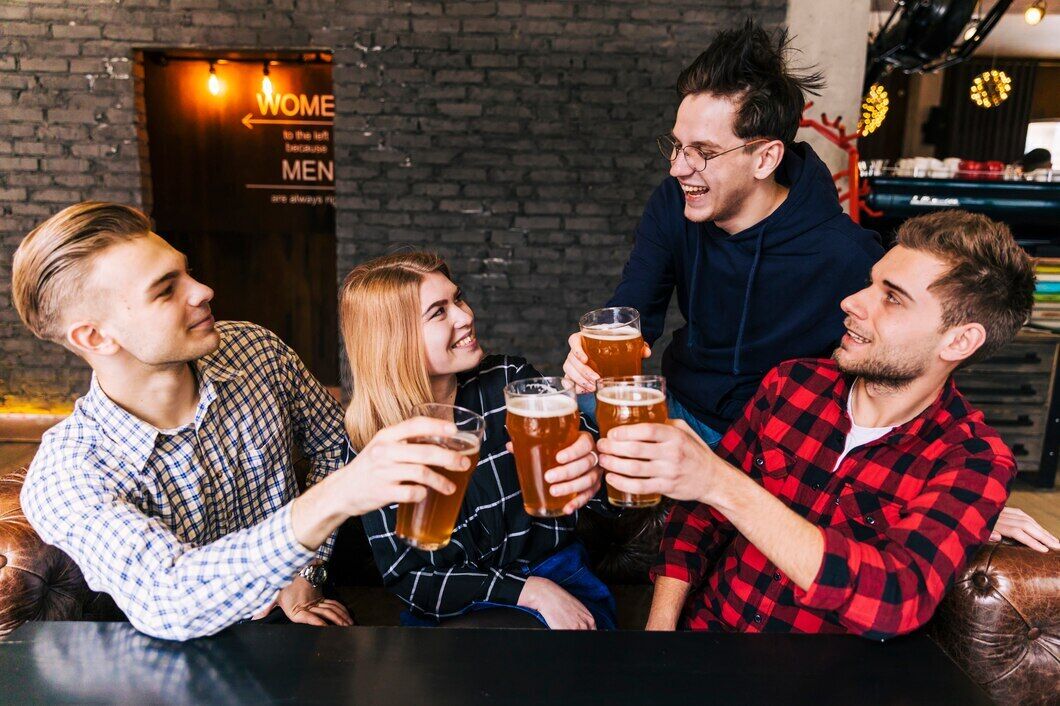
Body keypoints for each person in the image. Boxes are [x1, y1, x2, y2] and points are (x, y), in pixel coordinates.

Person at [13, 202, 466, 641]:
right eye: (166, 289)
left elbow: (333, 443)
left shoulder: (254, 350)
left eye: (186, 271)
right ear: (94, 336)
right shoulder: (67, 473)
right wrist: (332, 501)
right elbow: (169, 600)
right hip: (178, 660)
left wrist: (308, 569)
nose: (202, 290)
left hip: (299, 621)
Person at [597, 210, 1057, 637]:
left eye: (892, 298)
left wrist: (720, 482)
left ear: (959, 341)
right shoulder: (790, 384)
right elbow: (696, 522)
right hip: (705, 639)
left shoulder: (972, 459)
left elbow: (895, 598)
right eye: (870, 284)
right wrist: (660, 637)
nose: (853, 302)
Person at [564, 20, 884, 446]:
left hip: (773, 443)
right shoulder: (672, 203)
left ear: (765, 159)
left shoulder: (848, 255)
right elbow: (633, 310)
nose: (677, 167)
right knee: (564, 402)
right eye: (677, 145)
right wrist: (589, 354)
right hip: (677, 408)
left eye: (704, 153)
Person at [345, 252, 614, 630]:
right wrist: (527, 591)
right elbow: (411, 578)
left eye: (458, 299)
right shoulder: (373, 439)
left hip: (559, 580)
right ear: (395, 340)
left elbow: (607, 496)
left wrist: (593, 469)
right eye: (439, 312)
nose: (465, 315)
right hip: (456, 610)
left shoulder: (510, 382)